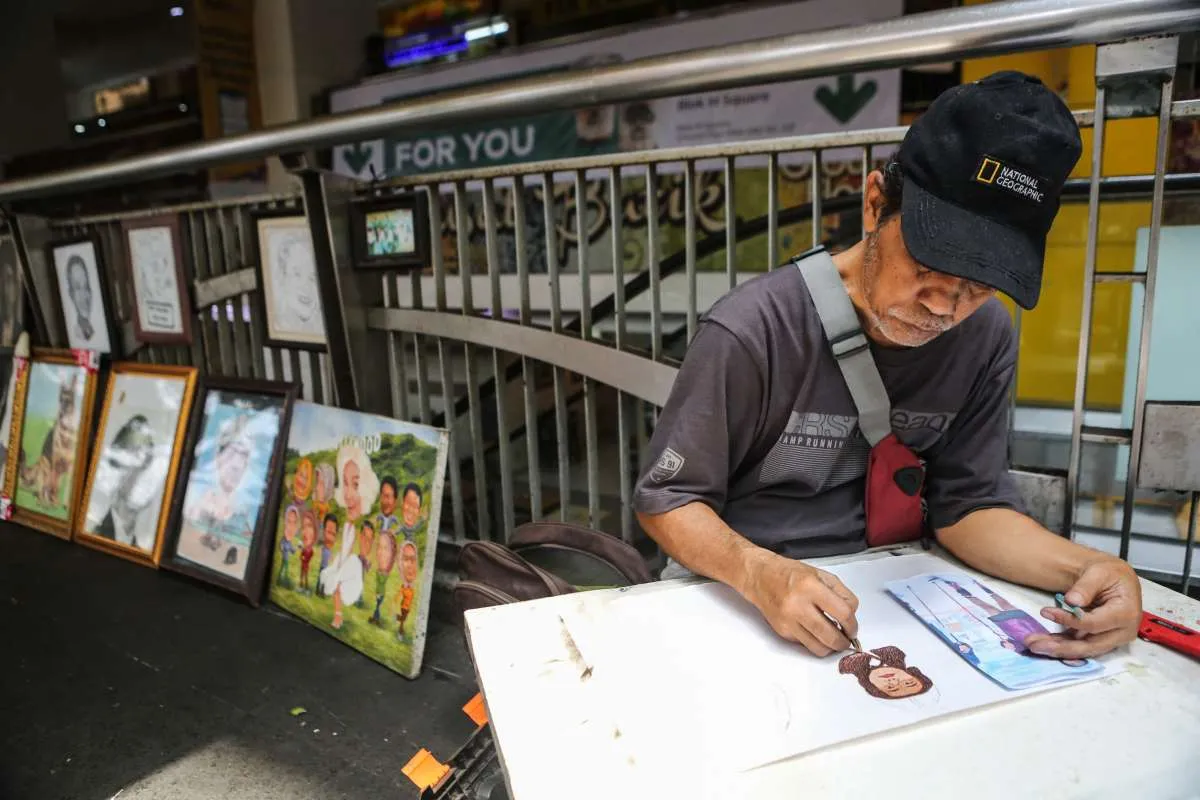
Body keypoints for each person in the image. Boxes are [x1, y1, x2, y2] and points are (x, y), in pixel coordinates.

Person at [633, 71, 1142, 662]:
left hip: (896, 600)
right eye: (929, 266)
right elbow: (667, 499)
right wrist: (758, 573)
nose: (943, 308)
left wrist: (1093, 568)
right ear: (876, 205)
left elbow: (968, 508)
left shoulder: (984, 336)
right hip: (745, 595)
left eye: (978, 287)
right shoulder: (753, 328)